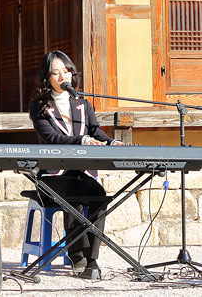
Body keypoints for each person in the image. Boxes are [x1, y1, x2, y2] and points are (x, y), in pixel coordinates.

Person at [28, 50, 126, 279]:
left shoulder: (83, 104)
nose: (63, 75)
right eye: (55, 72)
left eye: (66, 70)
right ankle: (77, 256)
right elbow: (51, 138)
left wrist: (111, 142)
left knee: (98, 194)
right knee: (73, 191)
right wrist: (82, 140)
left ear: (72, 74)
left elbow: (95, 132)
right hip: (53, 176)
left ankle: (92, 260)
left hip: (83, 172)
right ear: (47, 78)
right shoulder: (39, 106)